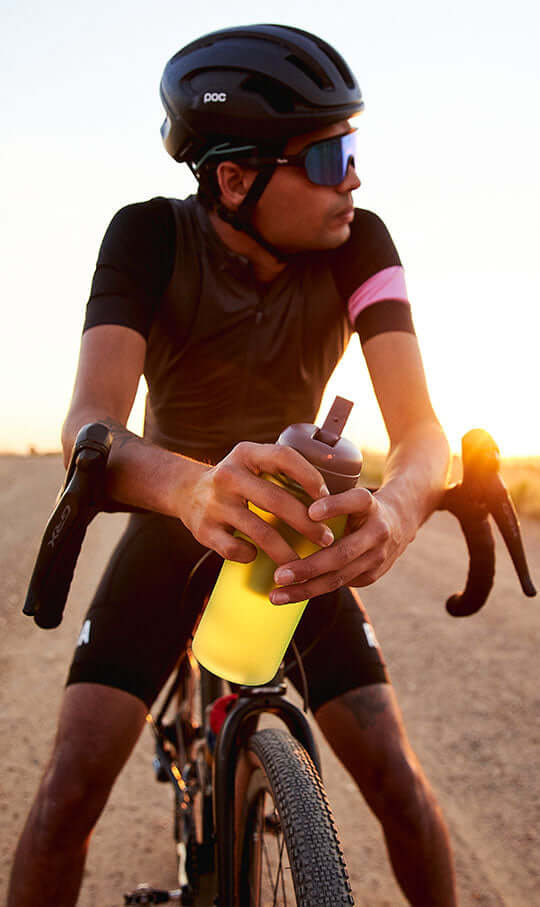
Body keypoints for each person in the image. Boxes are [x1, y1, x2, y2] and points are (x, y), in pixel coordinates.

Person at [8, 24, 457, 906]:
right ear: (236, 180)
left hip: (295, 537)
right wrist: (192, 488)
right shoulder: (147, 236)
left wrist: (399, 509)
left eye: (353, 150)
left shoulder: (359, 243)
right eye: (328, 158)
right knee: (65, 798)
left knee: (397, 783)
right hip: (173, 524)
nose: (354, 178)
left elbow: (423, 432)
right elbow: (90, 423)